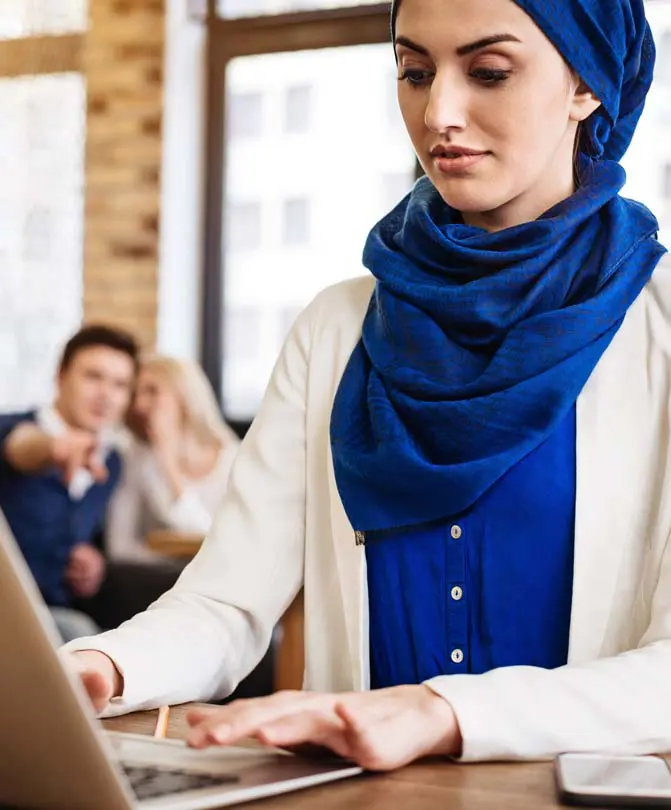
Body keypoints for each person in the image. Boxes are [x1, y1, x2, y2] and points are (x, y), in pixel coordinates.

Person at [65, 0, 671, 769]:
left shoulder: (660, 325)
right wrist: (98, 669)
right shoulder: (334, 328)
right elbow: (225, 602)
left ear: (587, 85)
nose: (437, 111)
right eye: (414, 72)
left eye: (487, 72)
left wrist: (440, 712)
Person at [0, 325, 138, 642]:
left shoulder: (111, 463)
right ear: (61, 376)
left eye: (120, 384)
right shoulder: (13, 429)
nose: (106, 394)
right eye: (93, 377)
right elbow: (20, 447)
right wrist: (55, 448)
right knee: (80, 635)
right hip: (12, 611)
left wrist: (91, 562)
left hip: (51, 609)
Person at [105, 356, 240, 564]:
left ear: (184, 394)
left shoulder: (236, 460)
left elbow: (210, 545)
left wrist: (168, 460)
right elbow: (119, 547)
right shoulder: (136, 458)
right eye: (135, 395)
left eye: (152, 391)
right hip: (159, 583)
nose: (140, 404)